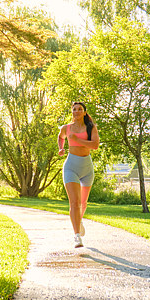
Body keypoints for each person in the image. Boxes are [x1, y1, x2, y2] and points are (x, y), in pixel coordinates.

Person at [57, 102, 100, 248]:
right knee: (74, 203)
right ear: (72, 112)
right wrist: (61, 148)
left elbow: (95, 145)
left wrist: (77, 140)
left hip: (87, 167)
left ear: (84, 112)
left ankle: (79, 220)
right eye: (74, 109)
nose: (76, 111)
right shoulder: (66, 128)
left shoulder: (91, 127)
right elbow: (60, 136)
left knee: (83, 203)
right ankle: (76, 236)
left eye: (79, 109)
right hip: (71, 167)